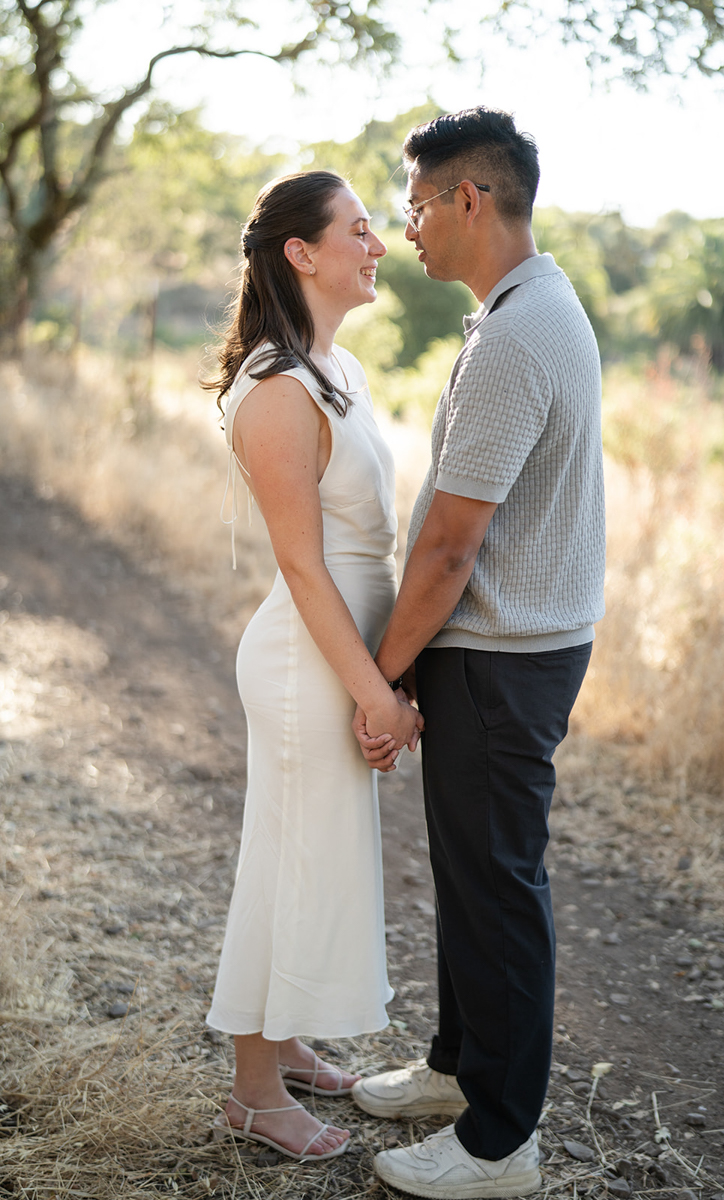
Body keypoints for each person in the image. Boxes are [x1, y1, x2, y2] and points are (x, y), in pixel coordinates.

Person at [351, 108, 606, 1198]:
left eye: (412, 207)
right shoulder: (525, 307)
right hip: (502, 652)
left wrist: (383, 669)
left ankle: (500, 1142)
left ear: (469, 198)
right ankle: (459, 1070)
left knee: (496, 888)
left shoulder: (513, 333)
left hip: (500, 659)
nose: (404, 229)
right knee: (469, 875)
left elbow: (453, 544)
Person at [202, 170, 423, 1164]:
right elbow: (301, 563)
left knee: (317, 863)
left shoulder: (339, 370)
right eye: (359, 230)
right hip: (304, 663)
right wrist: (373, 690)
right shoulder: (277, 388)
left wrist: (384, 672)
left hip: (340, 656)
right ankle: (251, 1093)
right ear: (302, 252)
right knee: (286, 866)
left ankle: (282, 1041)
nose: (377, 245)